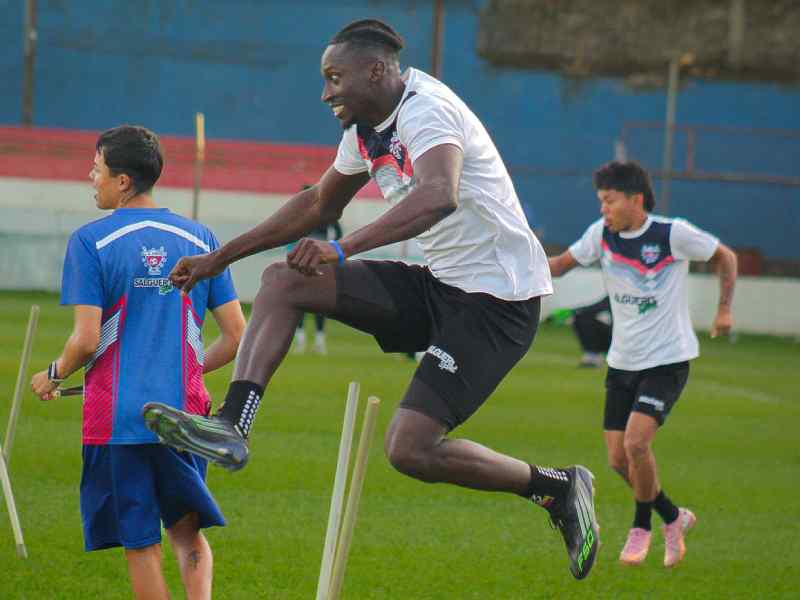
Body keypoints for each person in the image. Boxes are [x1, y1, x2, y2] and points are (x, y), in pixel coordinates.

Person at [143, 19, 599, 579]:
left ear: (376, 70)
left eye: (335, 78)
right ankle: (234, 426)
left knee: (410, 449)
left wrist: (346, 249)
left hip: (498, 303)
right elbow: (317, 203)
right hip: (441, 285)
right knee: (283, 282)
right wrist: (222, 257)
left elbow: (439, 194)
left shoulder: (426, 109)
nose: (326, 92)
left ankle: (556, 486)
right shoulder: (364, 129)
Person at [30, 125, 246, 600]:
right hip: (184, 417)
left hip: (118, 419)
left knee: (140, 541)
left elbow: (86, 340)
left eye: (97, 168)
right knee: (188, 533)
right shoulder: (200, 235)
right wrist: (189, 371)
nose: (91, 177)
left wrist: (52, 375)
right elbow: (237, 337)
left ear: (123, 181)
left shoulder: (91, 242)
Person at [548, 161, 737, 568]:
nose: (604, 210)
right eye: (601, 202)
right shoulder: (600, 236)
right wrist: (511, 266)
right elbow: (559, 266)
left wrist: (723, 310)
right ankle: (673, 516)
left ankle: (642, 528)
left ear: (635, 200)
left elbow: (726, 257)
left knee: (637, 444)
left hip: (667, 360)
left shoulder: (672, 234)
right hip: (622, 363)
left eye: (610, 201)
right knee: (618, 459)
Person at [290, 188, 343, 355]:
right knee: (315, 301)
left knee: (304, 299)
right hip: (319, 258)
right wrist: (331, 246)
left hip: (308, 258)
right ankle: (315, 340)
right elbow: (339, 232)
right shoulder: (326, 212)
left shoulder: (304, 214)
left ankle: (304, 340)